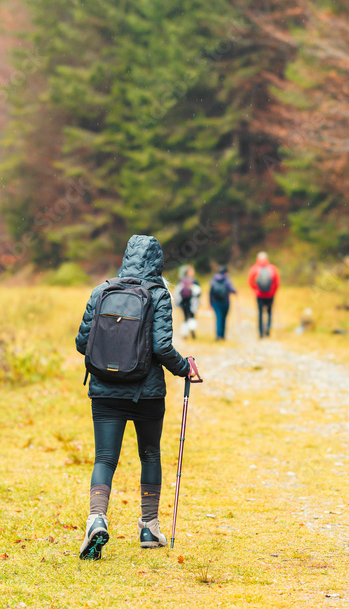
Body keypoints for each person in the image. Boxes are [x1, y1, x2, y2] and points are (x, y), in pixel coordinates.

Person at [74, 235, 198, 560]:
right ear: (158, 262)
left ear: (126, 256)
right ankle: (149, 527)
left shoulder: (102, 291)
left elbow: (81, 342)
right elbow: (162, 347)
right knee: (150, 455)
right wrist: (185, 367)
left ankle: (96, 519)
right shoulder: (159, 295)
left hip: (103, 390)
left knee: (104, 459)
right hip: (147, 393)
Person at [247, 251, 280, 339]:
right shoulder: (273, 268)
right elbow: (277, 282)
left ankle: (261, 333)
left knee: (260, 313)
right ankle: (268, 330)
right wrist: (273, 291)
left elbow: (250, 282)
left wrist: (255, 289)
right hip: (270, 295)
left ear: (257, 259)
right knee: (269, 312)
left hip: (259, 295)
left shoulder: (254, 269)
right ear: (267, 258)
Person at [208, 265, 237, 341]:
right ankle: (223, 336)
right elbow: (231, 288)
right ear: (226, 272)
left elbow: (210, 292)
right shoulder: (226, 279)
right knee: (224, 318)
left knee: (218, 318)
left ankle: (218, 336)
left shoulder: (213, 279)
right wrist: (235, 292)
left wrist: (210, 303)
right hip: (225, 301)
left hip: (216, 302)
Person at [173, 265, 201, 339]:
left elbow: (177, 292)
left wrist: (177, 303)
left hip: (183, 302)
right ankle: (192, 331)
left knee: (185, 317)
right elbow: (198, 292)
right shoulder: (194, 281)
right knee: (192, 316)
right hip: (192, 301)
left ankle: (185, 333)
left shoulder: (181, 281)